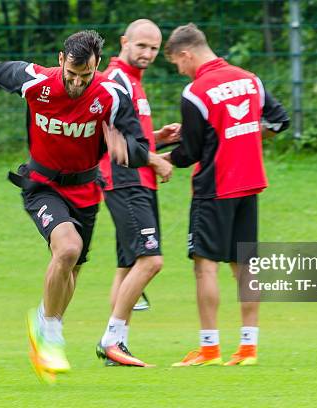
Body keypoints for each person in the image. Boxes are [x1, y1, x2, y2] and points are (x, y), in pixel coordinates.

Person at [0, 30, 155, 380]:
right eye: (71, 75)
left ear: (97, 66)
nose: (77, 84)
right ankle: (49, 333)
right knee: (68, 248)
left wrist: (128, 149)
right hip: (42, 184)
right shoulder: (36, 81)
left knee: (71, 269)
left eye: (86, 76)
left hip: (85, 190)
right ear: (60, 60)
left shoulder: (112, 95)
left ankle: (45, 319)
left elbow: (140, 145)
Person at [161, 24, 290, 367]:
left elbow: (189, 153)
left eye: (176, 63)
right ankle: (248, 349)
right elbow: (279, 121)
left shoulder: (195, 93)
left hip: (214, 188)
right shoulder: (250, 80)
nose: (180, 70)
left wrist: (158, 158)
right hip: (249, 183)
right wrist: (240, 136)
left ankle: (209, 349)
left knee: (205, 267)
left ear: (186, 53)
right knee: (246, 266)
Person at [96, 19, 180, 367]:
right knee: (151, 260)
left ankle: (119, 346)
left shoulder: (133, 82)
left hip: (136, 179)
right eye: (141, 46)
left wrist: (156, 138)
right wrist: (157, 161)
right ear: (124, 41)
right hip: (125, 179)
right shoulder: (115, 80)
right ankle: (110, 340)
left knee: (127, 265)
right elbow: (109, 138)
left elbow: (130, 137)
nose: (147, 54)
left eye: (154, 49)